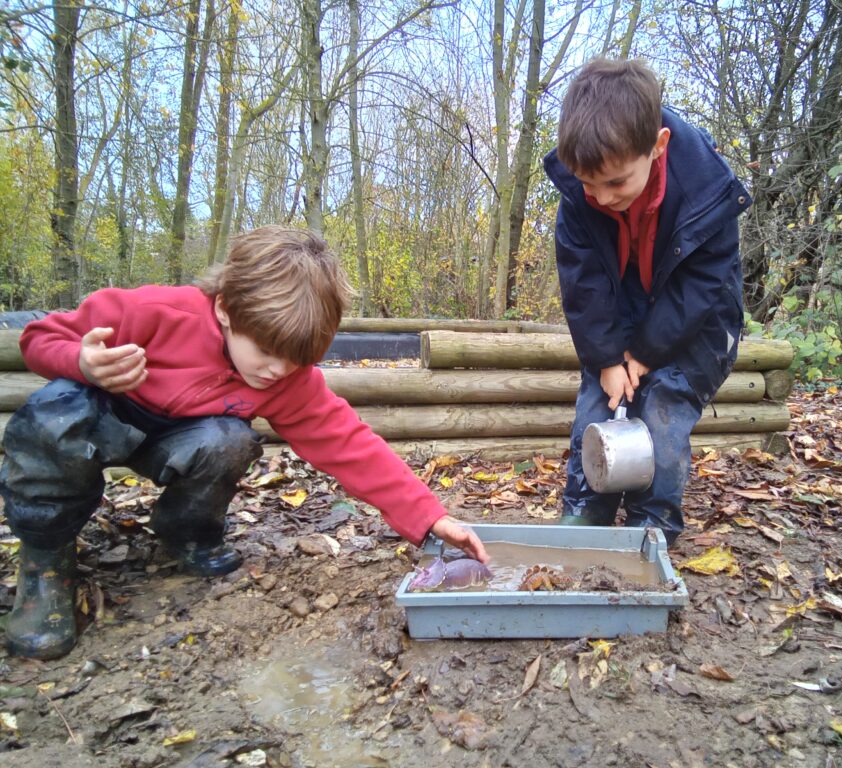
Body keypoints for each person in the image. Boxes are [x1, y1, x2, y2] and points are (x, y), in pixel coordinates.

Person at [0, 225, 488, 660]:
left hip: (180, 441)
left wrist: (430, 516)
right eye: (269, 352)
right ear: (225, 309)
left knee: (232, 440)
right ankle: (46, 557)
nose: (278, 370)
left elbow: (350, 444)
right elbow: (40, 337)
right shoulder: (150, 311)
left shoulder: (286, 380)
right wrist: (80, 362)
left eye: (297, 361)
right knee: (54, 413)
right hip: (102, 417)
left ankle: (187, 531)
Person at [543, 58, 751, 545]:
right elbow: (583, 284)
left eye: (615, 183)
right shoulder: (581, 189)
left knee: (662, 408)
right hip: (620, 308)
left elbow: (703, 284)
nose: (600, 195)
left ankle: (650, 528)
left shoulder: (709, 191)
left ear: (658, 146)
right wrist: (609, 358)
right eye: (588, 182)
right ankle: (585, 517)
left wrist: (645, 354)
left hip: (699, 321)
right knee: (600, 403)